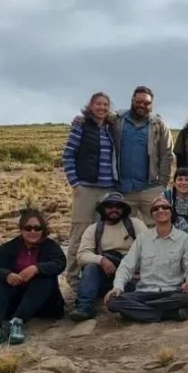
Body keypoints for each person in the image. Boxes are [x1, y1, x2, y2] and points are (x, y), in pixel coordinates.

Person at [73, 86, 174, 224]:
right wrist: (83, 118)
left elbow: (167, 155)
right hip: (123, 190)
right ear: (132, 100)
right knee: (123, 230)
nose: (142, 105)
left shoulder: (159, 125)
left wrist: (162, 184)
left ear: (151, 104)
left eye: (146, 103)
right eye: (138, 101)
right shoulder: (117, 119)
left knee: (159, 227)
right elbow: (98, 116)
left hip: (150, 189)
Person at [0, 210, 67, 350]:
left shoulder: (50, 246)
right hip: (15, 302)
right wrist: (7, 275)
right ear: (21, 229)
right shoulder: (8, 248)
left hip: (42, 304)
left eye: (37, 228)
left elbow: (60, 263)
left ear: (43, 230)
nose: (33, 231)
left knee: (45, 278)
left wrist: (36, 268)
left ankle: (17, 322)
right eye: (28, 228)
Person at [104, 196, 188, 323]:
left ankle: (139, 312)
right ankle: (168, 314)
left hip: (172, 292)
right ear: (152, 215)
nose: (161, 210)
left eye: (165, 207)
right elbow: (126, 265)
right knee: (113, 301)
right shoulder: (142, 239)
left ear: (171, 212)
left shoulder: (185, 239)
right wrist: (118, 287)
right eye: (156, 208)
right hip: (145, 292)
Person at [62, 91, 118, 288]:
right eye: (98, 104)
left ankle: (93, 279)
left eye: (105, 105)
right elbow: (68, 155)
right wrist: (75, 183)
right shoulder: (81, 126)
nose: (102, 108)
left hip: (107, 190)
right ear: (91, 106)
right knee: (79, 234)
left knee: (101, 236)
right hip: (86, 188)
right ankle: (73, 279)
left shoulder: (110, 128)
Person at [68, 193, 147, 322]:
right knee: (91, 268)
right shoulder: (93, 230)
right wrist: (102, 260)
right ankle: (84, 307)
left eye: (118, 206)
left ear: (124, 209)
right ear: (103, 209)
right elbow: (81, 255)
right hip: (106, 276)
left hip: (131, 275)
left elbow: (149, 249)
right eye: (109, 206)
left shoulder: (135, 224)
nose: (114, 209)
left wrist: (139, 270)